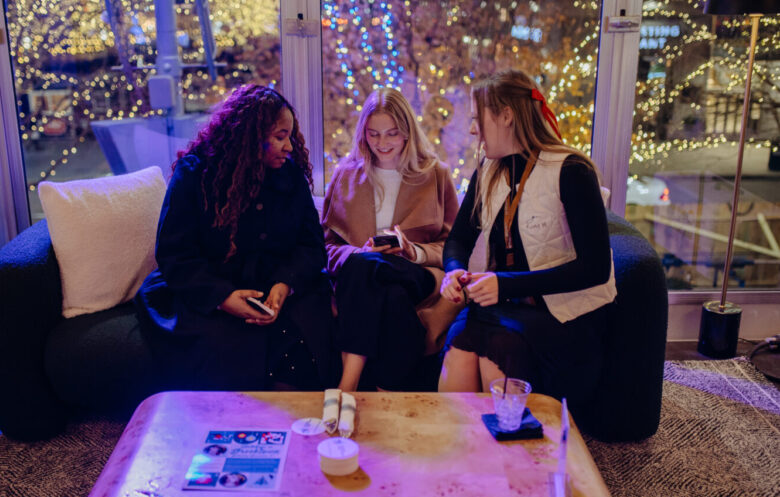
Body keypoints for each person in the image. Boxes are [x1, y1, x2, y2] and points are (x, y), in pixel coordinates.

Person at [135, 84, 338, 391]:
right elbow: (175, 255)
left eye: (289, 136)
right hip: (209, 288)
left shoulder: (290, 174)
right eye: (279, 137)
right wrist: (223, 298)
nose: (289, 147)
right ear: (250, 138)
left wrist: (285, 283)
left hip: (276, 288)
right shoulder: (195, 174)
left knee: (306, 334)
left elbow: (311, 246)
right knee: (224, 345)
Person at [437, 69, 617, 405]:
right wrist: (454, 270)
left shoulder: (572, 171)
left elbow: (595, 269)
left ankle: (509, 447)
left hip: (564, 317)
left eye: (478, 119)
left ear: (506, 116)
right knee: (461, 339)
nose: (473, 129)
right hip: (504, 305)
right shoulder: (488, 171)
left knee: (497, 345)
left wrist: (505, 285)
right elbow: (458, 239)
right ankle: (461, 447)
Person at [322, 87, 459, 391]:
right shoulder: (345, 175)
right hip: (365, 281)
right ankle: (388, 391)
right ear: (363, 134)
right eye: (374, 134)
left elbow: (453, 246)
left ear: (407, 133)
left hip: (416, 275)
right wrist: (357, 254)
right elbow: (326, 245)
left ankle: (346, 388)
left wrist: (413, 251)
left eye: (392, 134)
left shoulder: (435, 174)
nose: (382, 144)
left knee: (372, 271)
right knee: (383, 289)